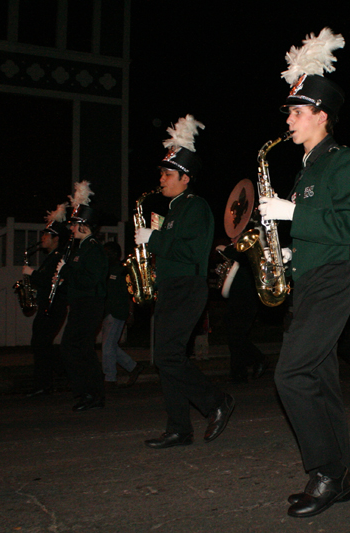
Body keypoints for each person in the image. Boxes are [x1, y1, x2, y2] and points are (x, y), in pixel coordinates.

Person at [258, 28, 350, 518]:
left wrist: (289, 215)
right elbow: (315, 228)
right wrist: (287, 255)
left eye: (296, 112)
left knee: (292, 374)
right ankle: (340, 479)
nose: (288, 119)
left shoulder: (344, 161)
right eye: (289, 111)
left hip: (335, 277)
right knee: (320, 381)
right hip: (310, 277)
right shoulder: (306, 169)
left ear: (321, 116)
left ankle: (323, 472)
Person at [135, 115, 234, 449]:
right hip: (171, 287)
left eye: (167, 174)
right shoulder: (173, 210)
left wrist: (154, 239)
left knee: (168, 357)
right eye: (162, 173)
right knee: (166, 359)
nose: (161, 179)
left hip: (187, 289)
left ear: (185, 178)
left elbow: (193, 251)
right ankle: (179, 427)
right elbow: (173, 250)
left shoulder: (196, 207)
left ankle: (216, 401)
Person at [57, 181, 108, 412]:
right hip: (81, 304)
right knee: (77, 349)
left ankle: (92, 393)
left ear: (85, 225)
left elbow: (91, 279)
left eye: (75, 224)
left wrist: (66, 271)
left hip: (90, 304)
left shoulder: (93, 248)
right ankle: (87, 392)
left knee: (77, 349)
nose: (71, 228)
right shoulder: (82, 248)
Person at [22, 204, 69, 396]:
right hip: (47, 305)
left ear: (56, 239)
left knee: (41, 344)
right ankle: (54, 376)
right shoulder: (50, 257)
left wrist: (31, 273)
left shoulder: (58, 257)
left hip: (53, 307)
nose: (42, 239)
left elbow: (52, 282)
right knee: (40, 344)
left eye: (46, 235)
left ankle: (48, 380)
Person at [216, 244, 269, 384]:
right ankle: (238, 374)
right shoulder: (237, 248)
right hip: (235, 296)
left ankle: (258, 359)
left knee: (237, 335)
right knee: (233, 336)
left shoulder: (249, 245)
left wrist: (225, 249)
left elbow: (243, 258)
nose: (232, 239)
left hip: (248, 296)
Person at [101, 241, 145, 390]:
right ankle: (133, 367)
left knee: (107, 346)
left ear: (114, 254)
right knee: (110, 346)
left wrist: (130, 313)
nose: (105, 255)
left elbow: (130, 293)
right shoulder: (106, 269)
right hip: (108, 312)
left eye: (107, 252)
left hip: (118, 312)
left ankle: (110, 379)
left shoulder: (122, 270)